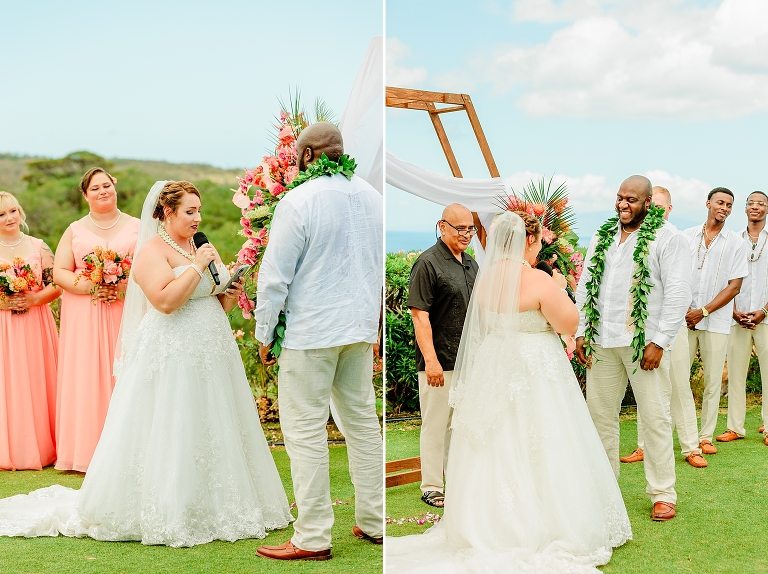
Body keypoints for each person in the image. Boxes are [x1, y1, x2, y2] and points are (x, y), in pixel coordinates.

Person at [0, 180, 293, 546]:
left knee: (214, 420)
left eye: (198, 211)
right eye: (189, 212)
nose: (197, 218)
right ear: (167, 212)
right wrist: (198, 269)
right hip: (174, 348)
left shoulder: (199, 245)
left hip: (211, 347)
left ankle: (218, 501)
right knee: (175, 421)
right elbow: (166, 302)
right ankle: (172, 506)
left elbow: (216, 301)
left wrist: (230, 289)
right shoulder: (152, 251)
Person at [387, 211, 631, 574]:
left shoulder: (486, 281)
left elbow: (482, 325)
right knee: (545, 438)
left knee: (493, 442)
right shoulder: (538, 280)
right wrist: (561, 288)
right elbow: (568, 322)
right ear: (529, 241)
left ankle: (487, 523)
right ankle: (547, 523)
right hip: (535, 367)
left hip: (495, 363)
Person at [254, 122, 383, 561]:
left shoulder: (298, 200)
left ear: (309, 156)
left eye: (297, 156)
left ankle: (312, 537)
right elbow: (376, 271)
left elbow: (274, 276)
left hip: (311, 332)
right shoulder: (372, 197)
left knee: (305, 430)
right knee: (363, 423)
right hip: (359, 330)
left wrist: (264, 333)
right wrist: (375, 329)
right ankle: (375, 521)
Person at [575, 175, 691, 522]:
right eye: (619, 198)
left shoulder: (668, 237)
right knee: (600, 419)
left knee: (655, 418)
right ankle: (604, 488)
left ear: (648, 202)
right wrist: (582, 331)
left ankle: (662, 493)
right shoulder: (603, 235)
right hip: (602, 342)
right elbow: (585, 285)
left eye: (632, 199)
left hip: (644, 345)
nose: (623, 205)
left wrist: (659, 341)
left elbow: (678, 291)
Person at [52, 168, 140, 471]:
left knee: (126, 373)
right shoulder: (75, 229)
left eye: (107, 185)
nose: (103, 192)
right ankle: (85, 452)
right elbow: (59, 271)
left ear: (115, 187)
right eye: (95, 188)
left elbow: (149, 269)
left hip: (125, 309)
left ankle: (129, 451)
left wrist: (121, 287)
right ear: (85, 194)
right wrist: (94, 285)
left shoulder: (138, 227)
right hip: (84, 313)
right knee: (86, 376)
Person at [619, 186, 706, 468]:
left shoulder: (675, 238)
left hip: (671, 326)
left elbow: (680, 289)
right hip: (641, 328)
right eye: (650, 205)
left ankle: (691, 447)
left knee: (678, 385)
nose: (654, 210)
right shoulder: (636, 236)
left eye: (660, 206)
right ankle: (644, 445)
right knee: (649, 390)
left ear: (669, 209)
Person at [407, 203, 479, 509]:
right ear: (442, 226)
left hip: (469, 360)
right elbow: (419, 315)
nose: (466, 234)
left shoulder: (472, 265)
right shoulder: (427, 263)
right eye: (460, 228)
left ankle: (458, 480)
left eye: (470, 229)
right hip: (439, 361)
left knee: (460, 426)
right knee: (435, 425)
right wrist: (432, 361)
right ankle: (432, 486)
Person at [682, 187, 748, 454]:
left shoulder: (736, 242)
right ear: (708, 203)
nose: (725, 208)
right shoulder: (686, 236)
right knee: (677, 379)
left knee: (712, 381)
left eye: (729, 205)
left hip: (716, 321)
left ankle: (705, 436)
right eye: (720, 202)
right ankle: (684, 435)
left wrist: (704, 311)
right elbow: (678, 276)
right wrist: (687, 310)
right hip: (684, 319)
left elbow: (734, 287)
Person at [0, 192, 62, 470]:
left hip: (37, 323)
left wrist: (35, 299)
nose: (9, 218)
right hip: (4, 327)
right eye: (1, 214)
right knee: (8, 383)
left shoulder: (39, 247)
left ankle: (46, 446)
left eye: (12, 211)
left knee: (39, 379)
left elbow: (57, 284)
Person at [722, 191, 768, 447]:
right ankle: (735, 428)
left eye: (761, 204)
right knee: (736, 373)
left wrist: (764, 311)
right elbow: (725, 279)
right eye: (751, 203)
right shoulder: (733, 240)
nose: (755, 207)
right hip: (736, 317)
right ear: (746, 208)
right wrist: (733, 311)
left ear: (767, 210)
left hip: (766, 318)